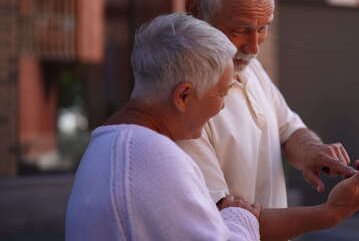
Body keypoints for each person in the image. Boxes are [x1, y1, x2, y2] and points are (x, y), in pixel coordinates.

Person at [180, 0, 359, 240]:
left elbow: (288, 130)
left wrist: (313, 152)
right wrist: (330, 213)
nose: (254, 46)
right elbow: (221, 221)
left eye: (263, 28)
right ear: (195, 11)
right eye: (240, 30)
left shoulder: (250, 67)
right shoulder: (181, 99)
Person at [65, 13, 261, 240]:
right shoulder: (153, 156)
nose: (222, 107)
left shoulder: (103, 147)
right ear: (183, 95)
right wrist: (242, 217)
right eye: (221, 94)